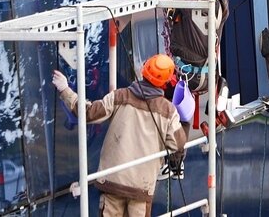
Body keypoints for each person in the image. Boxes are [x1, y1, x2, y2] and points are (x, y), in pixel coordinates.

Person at [52, 54, 187, 216]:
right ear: (166, 82)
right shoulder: (168, 111)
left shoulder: (120, 96)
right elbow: (176, 145)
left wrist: (65, 90)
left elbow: (88, 113)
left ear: (144, 71)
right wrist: (185, 124)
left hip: (112, 182)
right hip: (141, 187)